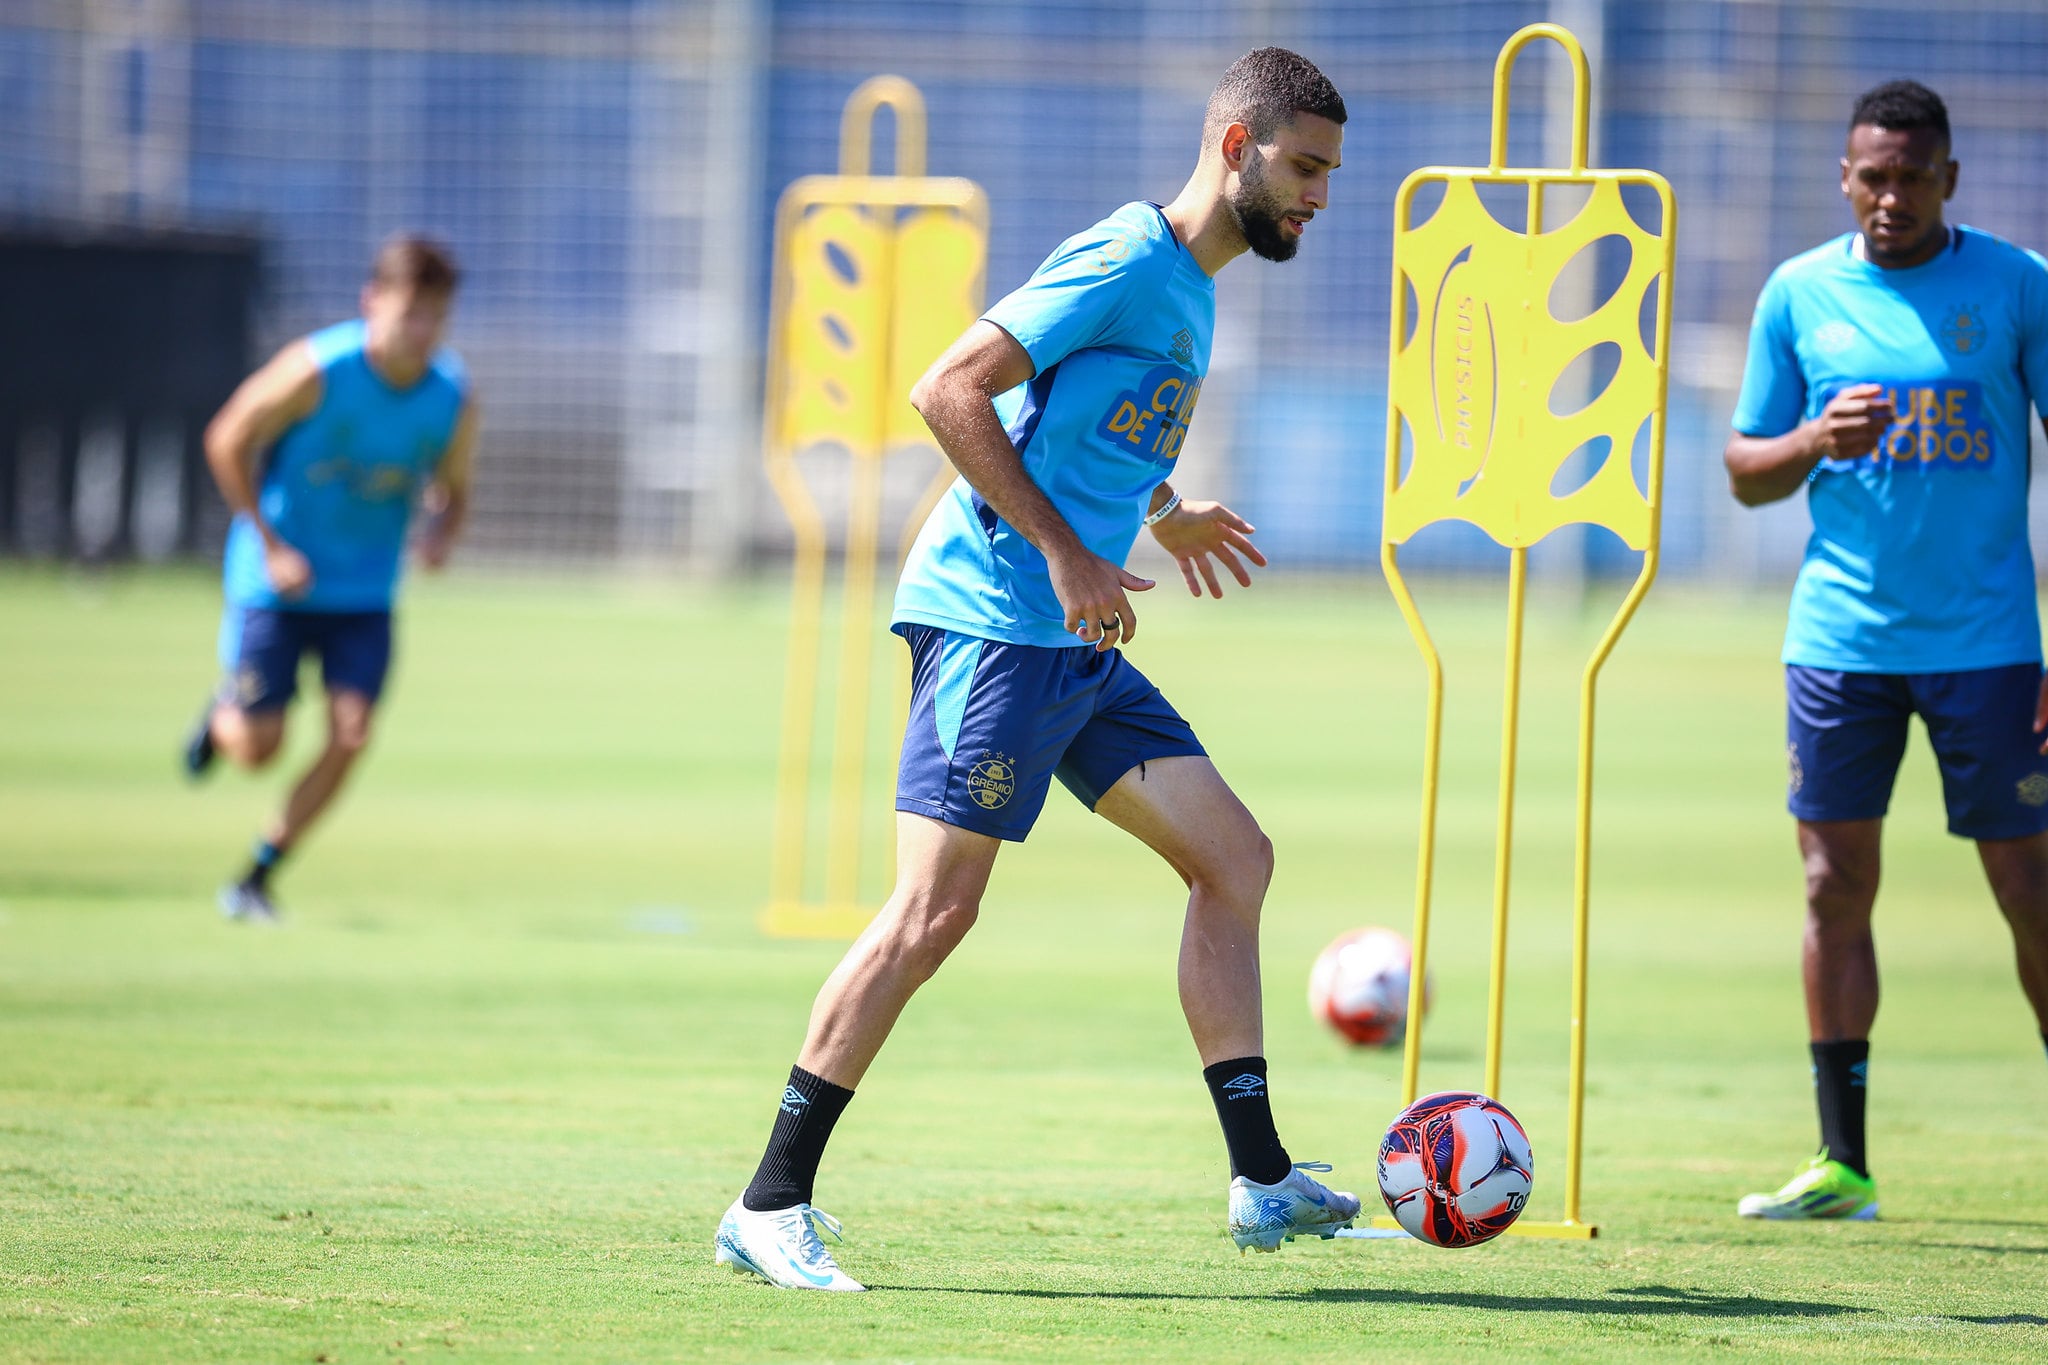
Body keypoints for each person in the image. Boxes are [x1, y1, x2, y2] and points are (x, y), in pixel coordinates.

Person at [715, 48, 1352, 1291]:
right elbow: (947, 390)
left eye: (1330, 172)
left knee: (1234, 861)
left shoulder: (1191, 289)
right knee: (931, 914)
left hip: (1074, 637)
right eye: (1305, 167)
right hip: (998, 622)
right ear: (1236, 148)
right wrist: (1068, 555)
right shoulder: (1126, 257)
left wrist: (1157, 507)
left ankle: (1261, 1179)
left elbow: (1076, 420)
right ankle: (766, 1202)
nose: (1320, 196)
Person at [1724, 80, 2048, 1221]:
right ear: (1844, 177)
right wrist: (1814, 437)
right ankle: (1841, 1163)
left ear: (1947, 180)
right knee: (1829, 887)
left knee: (2028, 890)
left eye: (1912, 177)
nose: (1889, 197)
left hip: (1990, 645)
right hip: (1839, 644)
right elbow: (1741, 471)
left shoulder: (2014, 285)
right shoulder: (1799, 293)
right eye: (1871, 176)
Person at [183, 234, 479, 922]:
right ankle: (222, 715)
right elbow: (226, 437)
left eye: (435, 317)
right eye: (409, 313)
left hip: (364, 594)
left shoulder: (452, 396)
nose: (421, 331)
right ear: (371, 302)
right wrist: (269, 542)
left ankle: (258, 873)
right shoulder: (317, 370)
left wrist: (441, 533)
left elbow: (455, 486)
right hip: (277, 588)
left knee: (352, 734)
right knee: (258, 749)